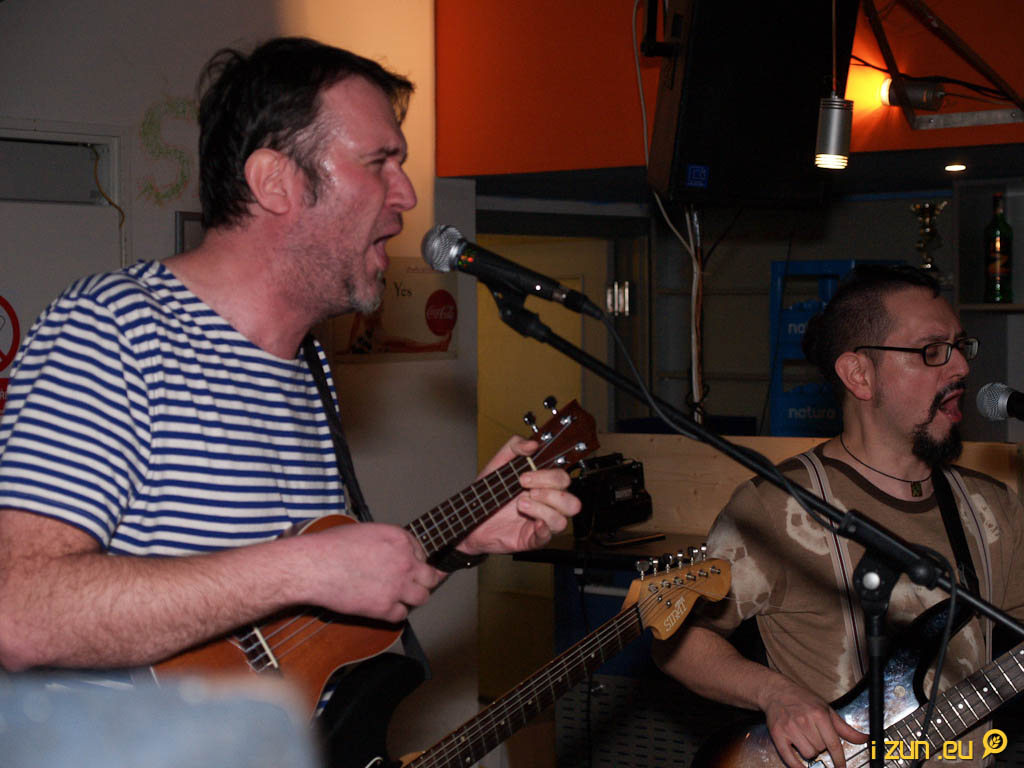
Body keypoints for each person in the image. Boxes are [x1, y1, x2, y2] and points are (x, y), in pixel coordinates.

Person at [0, 37, 580, 691]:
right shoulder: (114, 329)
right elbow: (21, 613)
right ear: (276, 182)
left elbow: (300, 640)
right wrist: (303, 567)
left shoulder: (309, 369)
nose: (406, 195)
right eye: (379, 162)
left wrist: (461, 541)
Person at [653, 265, 1024, 768]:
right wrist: (775, 694)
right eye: (933, 350)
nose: (960, 366)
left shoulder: (993, 507)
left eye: (961, 346)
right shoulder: (778, 506)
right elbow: (675, 640)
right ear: (859, 375)